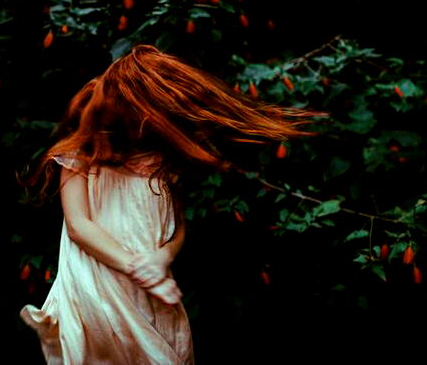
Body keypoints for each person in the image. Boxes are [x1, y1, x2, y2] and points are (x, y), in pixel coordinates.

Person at [19, 45, 322, 364]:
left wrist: (162, 258)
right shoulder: (78, 156)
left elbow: (176, 227)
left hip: (150, 290)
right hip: (97, 284)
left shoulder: (161, 162)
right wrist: (138, 269)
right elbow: (79, 226)